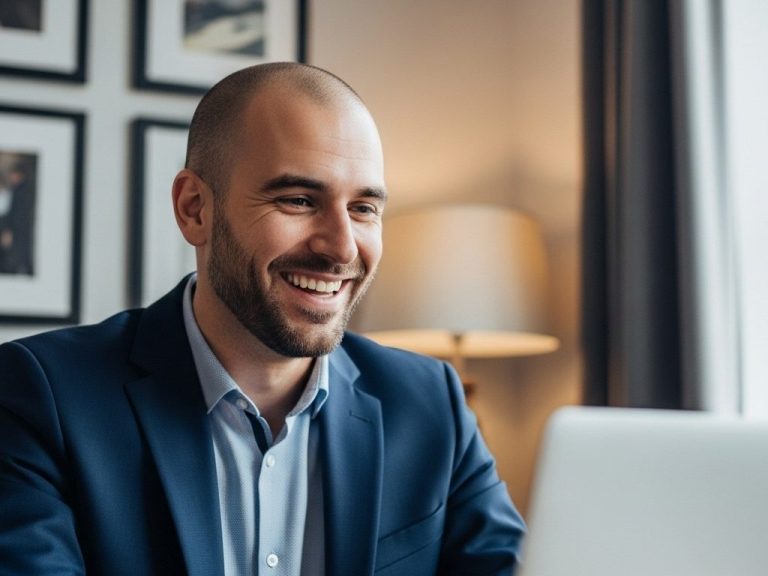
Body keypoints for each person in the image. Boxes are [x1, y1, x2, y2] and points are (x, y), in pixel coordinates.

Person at [0, 62, 525, 575]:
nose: (341, 247)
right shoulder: (41, 397)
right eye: (298, 200)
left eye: (364, 209)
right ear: (195, 209)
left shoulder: (431, 403)